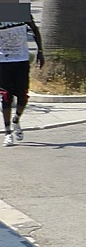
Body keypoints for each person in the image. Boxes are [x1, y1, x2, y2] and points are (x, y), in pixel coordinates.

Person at [0, 11, 44, 146]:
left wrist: (40, 52)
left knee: (23, 96)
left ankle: (16, 120)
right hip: (3, 61)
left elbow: (35, 30)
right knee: (6, 97)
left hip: (22, 60)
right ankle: (7, 132)